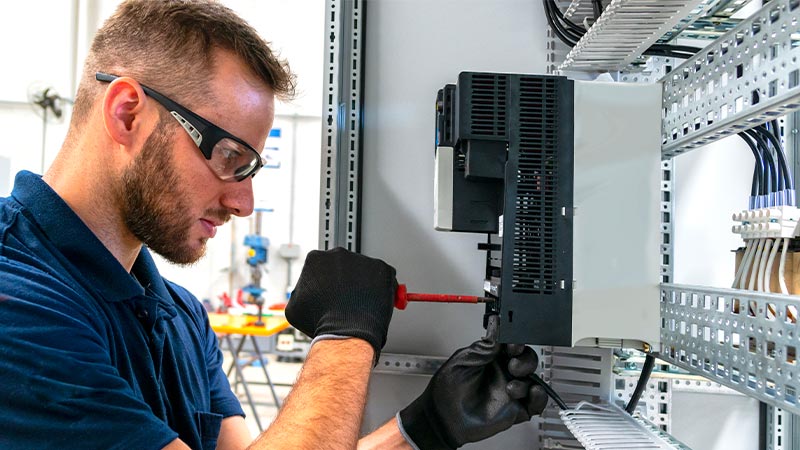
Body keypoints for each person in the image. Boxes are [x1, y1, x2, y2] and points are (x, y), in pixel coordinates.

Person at [0, 1, 548, 449]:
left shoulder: (176, 315)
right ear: (127, 113)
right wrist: (345, 336)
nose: (243, 202)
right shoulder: (17, 304)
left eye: (251, 169)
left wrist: (424, 427)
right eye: (228, 157)